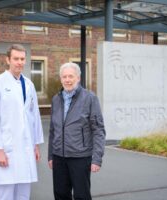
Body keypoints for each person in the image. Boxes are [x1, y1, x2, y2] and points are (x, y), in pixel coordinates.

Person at [0, 44, 44, 200]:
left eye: (22, 59)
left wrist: (36, 145)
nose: (20, 62)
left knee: (24, 193)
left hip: (26, 147)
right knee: (6, 193)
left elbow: (35, 116)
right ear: (8, 60)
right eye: (16, 59)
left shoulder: (29, 85)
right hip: (7, 148)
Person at [48, 62, 106, 200]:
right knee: (60, 195)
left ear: (78, 78)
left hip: (80, 157)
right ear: (61, 79)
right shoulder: (56, 99)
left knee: (82, 196)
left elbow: (98, 130)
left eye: (70, 76)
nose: (67, 80)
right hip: (59, 157)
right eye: (64, 77)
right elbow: (52, 130)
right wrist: (51, 155)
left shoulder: (90, 98)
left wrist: (97, 158)